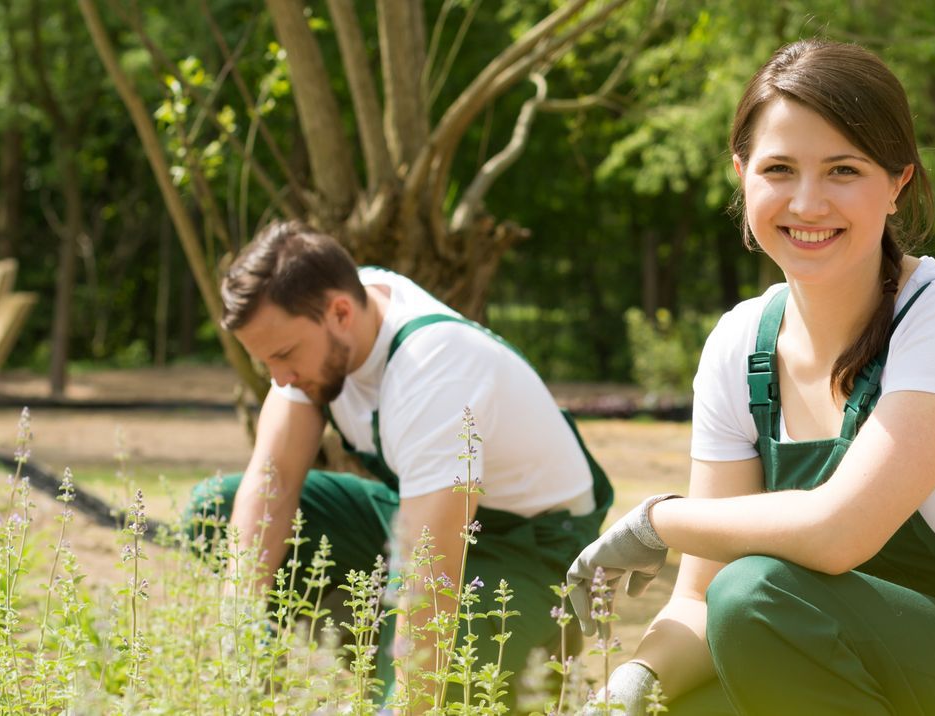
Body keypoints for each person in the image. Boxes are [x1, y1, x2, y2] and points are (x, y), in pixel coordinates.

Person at [563, 40, 935, 715]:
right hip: (858, 658)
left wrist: (656, 521)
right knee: (684, 701)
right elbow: (698, 596)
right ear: (742, 176)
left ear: (898, 184)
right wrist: (628, 689)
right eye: (779, 169)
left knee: (755, 595)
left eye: (843, 170)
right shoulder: (739, 345)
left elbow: (838, 533)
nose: (808, 203)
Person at [180, 222, 613, 707]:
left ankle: (538, 657)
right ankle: (380, 649)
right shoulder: (327, 315)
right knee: (214, 511)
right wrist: (239, 633)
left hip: (533, 546)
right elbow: (271, 485)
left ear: (340, 313)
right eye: (266, 364)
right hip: (425, 510)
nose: (279, 380)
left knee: (440, 667)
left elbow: (429, 569)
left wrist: (404, 702)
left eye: (283, 356)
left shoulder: (434, 371)